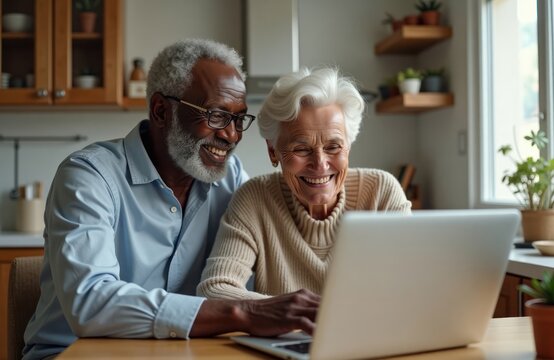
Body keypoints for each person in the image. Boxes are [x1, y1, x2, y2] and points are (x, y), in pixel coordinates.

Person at [22, 39, 319, 360]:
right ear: (162, 111)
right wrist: (241, 312)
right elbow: (91, 302)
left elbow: (269, 251)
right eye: (217, 115)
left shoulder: (230, 177)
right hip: (71, 353)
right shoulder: (89, 176)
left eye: (238, 119)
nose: (231, 135)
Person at [197, 67, 412, 300]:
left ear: (349, 145)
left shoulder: (381, 192)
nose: (320, 164)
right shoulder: (255, 198)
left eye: (333, 147)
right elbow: (215, 289)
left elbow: (416, 281)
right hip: (284, 337)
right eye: (301, 149)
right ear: (273, 151)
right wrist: (289, 310)